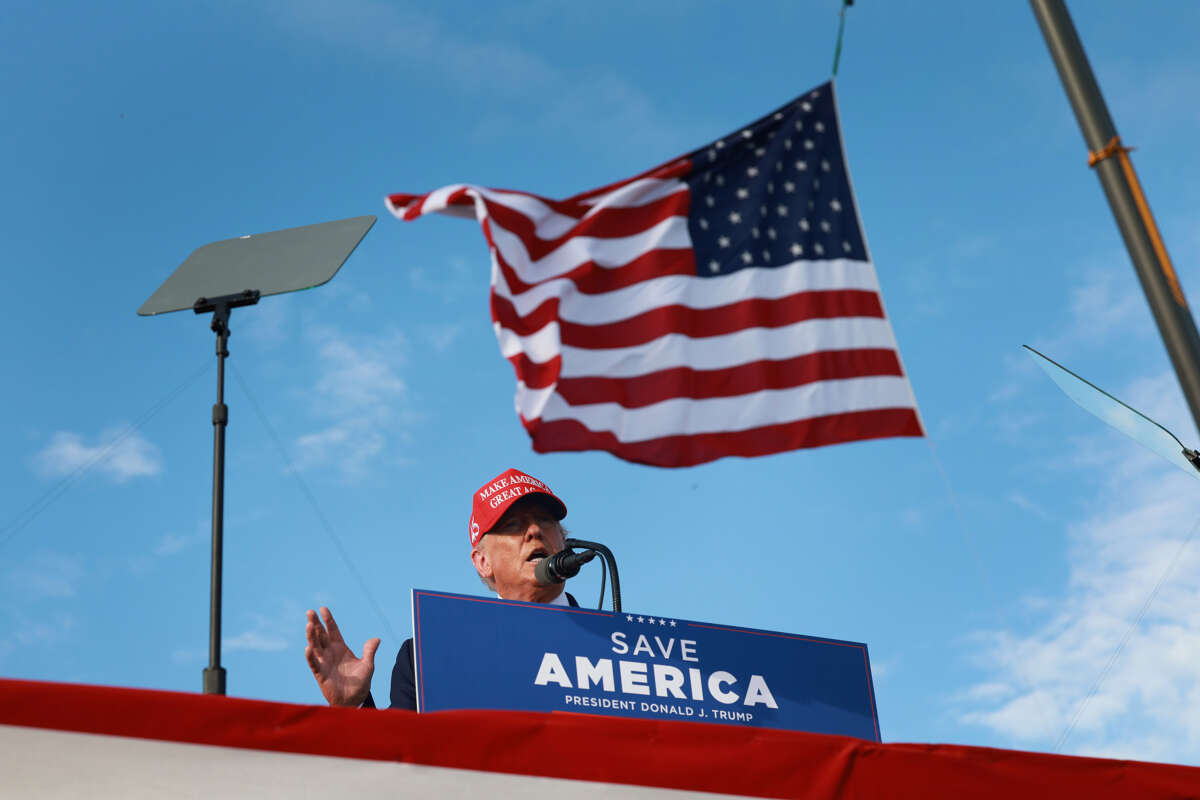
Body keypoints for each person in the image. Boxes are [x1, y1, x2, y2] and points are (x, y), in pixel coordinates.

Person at [304, 467, 576, 710]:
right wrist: (354, 707)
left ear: (563, 542)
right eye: (514, 525)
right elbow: (398, 754)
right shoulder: (428, 658)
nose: (534, 531)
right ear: (482, 561)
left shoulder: (613, 643)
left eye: (544, 520)